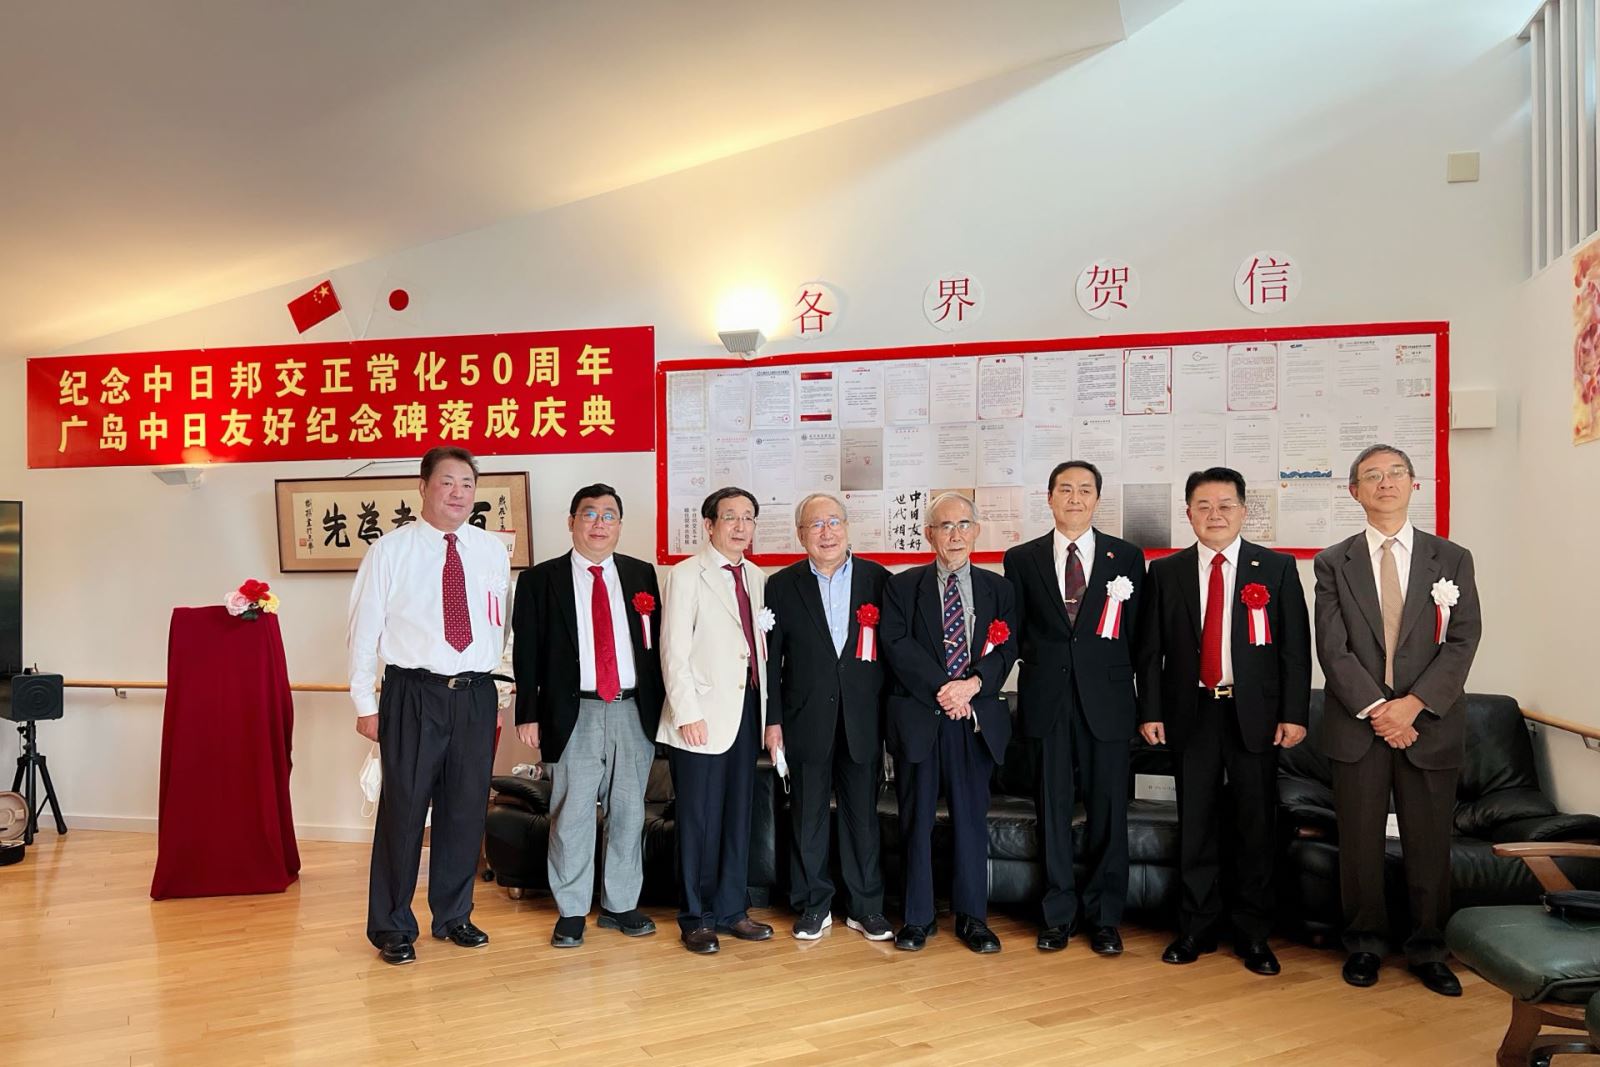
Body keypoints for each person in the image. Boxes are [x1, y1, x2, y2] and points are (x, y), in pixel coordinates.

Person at [1314, 444, 1482, 997]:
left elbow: (1462, 640)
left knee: (1429, 845)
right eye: (1372, 476)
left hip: (1429, 723)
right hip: (1358, 725)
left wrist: (1412, 705)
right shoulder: (1333, 562)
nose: (1385, 483)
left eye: (1396, 473)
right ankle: (1363, 944)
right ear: (1354, 491)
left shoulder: (1451, 558)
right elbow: (1332, 647)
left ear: (1414, 484)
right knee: (1359, 844)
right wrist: (1378, 709)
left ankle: (1430, 949)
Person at [1136, 467, 1310, 975]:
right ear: (1188, 513)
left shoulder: (1275, 568)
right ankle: (1195, 927)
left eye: (1225, 505)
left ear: (1243, 511)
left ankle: (1253, 935)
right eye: (1204, 506)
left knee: (1256, 824)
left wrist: (1294, 714)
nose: (1215, 515)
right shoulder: (1165, 572)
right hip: (1191, 712)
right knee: (1197, 823)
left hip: (1255, 714)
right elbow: (1149, 651)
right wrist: (1150, 711)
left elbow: (1295, 649)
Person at [348, 446, 510, 965]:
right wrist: (364, 701)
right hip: (413, 694)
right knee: (405, 810)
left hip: (476, 694)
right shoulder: (390, 551)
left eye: (467, 484)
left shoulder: (491, 550)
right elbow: (362, 631)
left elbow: (498, 625)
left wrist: (501, 689)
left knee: (465, 810)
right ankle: (392, 926)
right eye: (447, 482)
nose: (458, 493)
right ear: (423, 487)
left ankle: (454, 914)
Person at [511, 483, 664, 949]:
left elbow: (655, 647)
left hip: (632, 709)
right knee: (572, 813)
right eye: (590, 514)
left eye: (609, 515)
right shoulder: (541, 580)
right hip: (572, 711)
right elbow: (526, 654)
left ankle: (620, 905)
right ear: (572, 522)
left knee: (629, 812)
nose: (600, 523)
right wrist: (528, 713)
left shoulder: (640, 574)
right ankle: (572, 910)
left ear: (620, 524)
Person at [1002, 460, 1145, 957]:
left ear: (1097, 499)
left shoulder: (1127, 556)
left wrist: (1145, 704)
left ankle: (1105, 918)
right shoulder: (1021, 559)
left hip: (1107, 702)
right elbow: (1015, 633)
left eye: (1085, 490)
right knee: (1052, 810)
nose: (1075, 498)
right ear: (1049, 497)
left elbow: (1140, 638)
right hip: (1047, 701)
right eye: (1065, 489)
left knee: (1109, 811)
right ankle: (1057, 915)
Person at [881, 492, 1018, 953]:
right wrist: (946, 688)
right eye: (945, 526)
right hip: (922, 717)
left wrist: (971, 686)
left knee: (970, 822)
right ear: (929, 534)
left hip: (973, 720)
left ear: (976, 531)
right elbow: (897, 645)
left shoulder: (999, 588)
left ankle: (972, 918)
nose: (955, 535)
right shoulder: (903, 587)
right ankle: (917, 918)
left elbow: (1008, 649)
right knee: (915, 820)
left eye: (963, 525)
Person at [763, 493, 892, 942]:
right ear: (801, 535)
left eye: (833, 522)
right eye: (815, 525)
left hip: (863, 719)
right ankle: (813, 905)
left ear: (847, 527)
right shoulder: (781, 586)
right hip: (805, 720)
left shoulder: (879, 580)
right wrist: (773, 722)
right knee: (808, 817)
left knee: (863, 818)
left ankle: (866, 907)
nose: (826, 532)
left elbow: (892, 656)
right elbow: (772, 663)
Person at [657, 487, 773, 954]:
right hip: (700, 716)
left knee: (737, 817)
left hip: (746, 711)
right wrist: (687, 713)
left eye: (748, 517)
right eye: (731, 517)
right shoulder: (686, 575)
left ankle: (731, 909)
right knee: (699, 822)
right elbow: (673, 651)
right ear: (709, 525)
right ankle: (696, 916)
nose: (741, 526)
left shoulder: (756, 576)